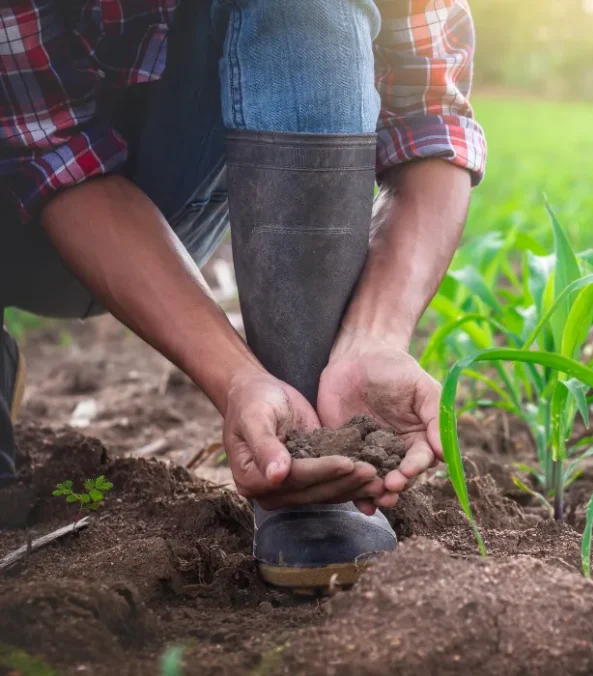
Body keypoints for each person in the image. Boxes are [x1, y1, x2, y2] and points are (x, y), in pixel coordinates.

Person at [0, 0, 485, 589]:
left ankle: (304, 439)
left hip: (163, 196)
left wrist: (373, 335)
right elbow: (49, 154)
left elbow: (432, 121)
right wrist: (231, 378)